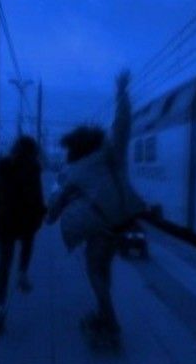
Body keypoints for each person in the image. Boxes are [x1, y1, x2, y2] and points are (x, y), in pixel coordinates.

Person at [46, 71, 145, 344]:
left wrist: (50, 214)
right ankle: (103, 314)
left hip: (99, 227)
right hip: (122, 221)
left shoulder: (73, 171)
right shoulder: (112, 154)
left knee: (94, 270)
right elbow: (123, 124)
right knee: (104, 268)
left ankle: (110, 321)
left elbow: (55, 207)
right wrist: (122, 93)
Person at [0, 136, 46, 334]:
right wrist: (43, 214)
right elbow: (37, 199)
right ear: (33, 152)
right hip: (24, 221)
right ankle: (22, 272)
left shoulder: (0, 166)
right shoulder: (33, 169)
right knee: (28, 241)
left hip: (3, 223)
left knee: (3, 265)